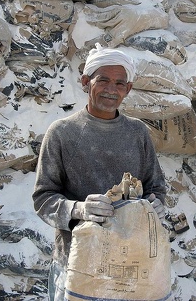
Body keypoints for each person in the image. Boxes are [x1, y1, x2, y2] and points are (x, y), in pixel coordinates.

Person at [32, 43, 167, 301]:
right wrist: (78, 209)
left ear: (128, 89)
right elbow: (43, 198)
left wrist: (156, 204)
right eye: (103, 80)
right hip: (76, 260)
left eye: (119, 83)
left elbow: (156, 186)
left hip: (132, 263)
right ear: (86, 82)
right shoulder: (62, 132)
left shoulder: (138, 132)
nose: (111, 89)